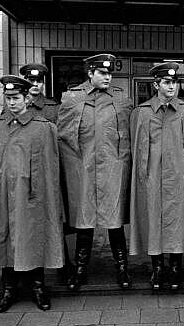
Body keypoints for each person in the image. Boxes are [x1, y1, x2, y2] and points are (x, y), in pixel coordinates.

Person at [0, 75, 63, 312]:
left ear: (26, 98)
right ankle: (8, 289)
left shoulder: (43, 128)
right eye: (8, 98)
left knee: (33, 236)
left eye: (16, 98)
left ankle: (38, 287)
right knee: (3, 237)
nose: (12, 103)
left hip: (32, 196)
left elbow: (51, 170)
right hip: (2, 195)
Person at [57, 53, 133, 290]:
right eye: (102, 72)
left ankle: (122, 268)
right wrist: (74, 169)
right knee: (84, 221)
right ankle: (80, 269)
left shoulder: (121, 100)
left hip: (112, 167)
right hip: (84, 169)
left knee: (115, 221)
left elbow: (129, 136)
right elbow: (63, 138)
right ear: (90, 73)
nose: (108, 77)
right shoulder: (72, 99)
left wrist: (122, 165)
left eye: (110, 73)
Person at [129, 62, 184, 290]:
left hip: (179, 176)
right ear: (156, 84)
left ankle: (175, 268)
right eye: (167, 82)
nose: (172, 86)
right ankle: (157, 268)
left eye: (175, 82)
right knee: (153, 220)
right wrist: (143, 175)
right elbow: (136, 147)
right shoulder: (142, 112)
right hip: (152, 176)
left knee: (178, 220)